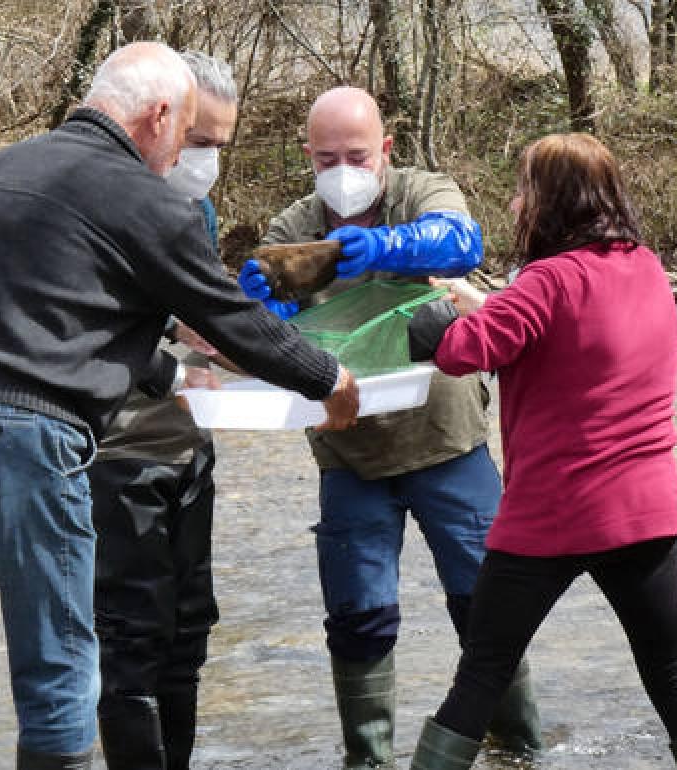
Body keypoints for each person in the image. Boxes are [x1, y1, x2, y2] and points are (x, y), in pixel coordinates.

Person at [0, 42, 359, 770]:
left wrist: (169, 357)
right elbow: (233, 320)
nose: (182, 161)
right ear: (159, 115)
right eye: (187, 135)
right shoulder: (144, 197)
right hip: (22, 437)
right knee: (60, 673)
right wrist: (330, 381)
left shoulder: (8, 164)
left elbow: (55, 311)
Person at [404, 133, 677, 770]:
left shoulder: (544, 282)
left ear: (553, 200)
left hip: (550, 518)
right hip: (644, 515)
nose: (514, 203)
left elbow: (456, 352)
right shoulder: (647, 269)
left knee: (478, 682)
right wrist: (495, 304)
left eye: (524, 188)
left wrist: (429, 311)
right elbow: (567, 334)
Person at [237, 86, 543, 769]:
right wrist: (258, 310)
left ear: (386, 150)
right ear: (307, 157)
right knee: (358, 619)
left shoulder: (420, 191)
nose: (340, 168)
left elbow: (461, 243)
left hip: (447, 442)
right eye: (325, 156)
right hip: (350, 456)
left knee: (485, 609)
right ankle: (367, 758)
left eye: (355, 153)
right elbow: (264, 329)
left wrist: (379, 244)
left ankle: (520, 749)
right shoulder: (294, 225)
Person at [90, 50, 238, 770]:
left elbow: (206, 326)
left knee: (188, 635)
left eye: (218, 147)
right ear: (163, 118)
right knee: (129, 639)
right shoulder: (97, 198)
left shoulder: (198, 211)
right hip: (113, 455)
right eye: (198, 140)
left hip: (187, 447)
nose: (204, 158)